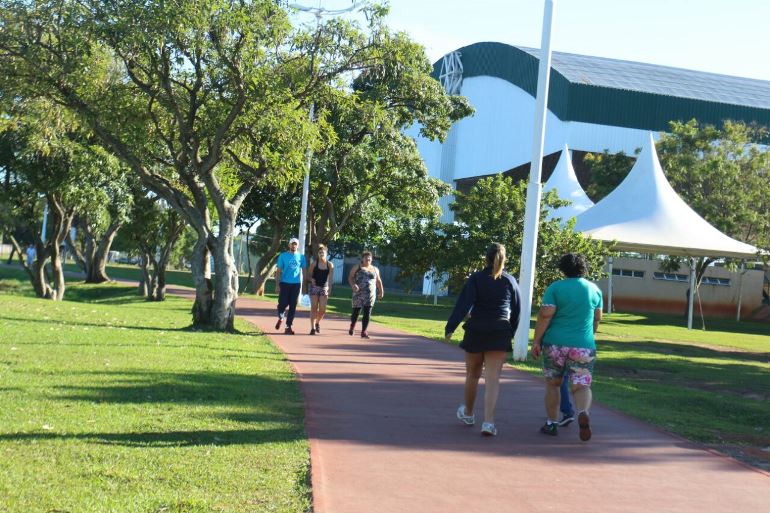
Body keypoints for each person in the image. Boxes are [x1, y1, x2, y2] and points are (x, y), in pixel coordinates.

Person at [445, 243, 521, 437]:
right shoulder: (510, 280)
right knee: (493, 379)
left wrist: (450, 327)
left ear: (485, 258)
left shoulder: (476, 278)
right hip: (499, 330)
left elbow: (463, 304)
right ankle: (488, 422)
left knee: (472, 374)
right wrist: (510, 331)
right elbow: (517, 310)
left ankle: (469, 413)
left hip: (477, 328)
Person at [531, 253, 603, 442]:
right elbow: (597, 319)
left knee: (553, 384)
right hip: (583, 345)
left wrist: (536, 340)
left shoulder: (556, 288)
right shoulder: (595, 290)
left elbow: (546, 315)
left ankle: (551, 423)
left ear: (563, 269)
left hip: (555, 343)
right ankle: (582, 412)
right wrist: (590, 335)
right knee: (581, 386)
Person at [347, 251, 384, 339]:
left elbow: (378, 281)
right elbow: (350, 277)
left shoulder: (375, 269)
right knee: (356, 312)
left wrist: (381, 291)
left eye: (369, 258)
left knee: (367, 313)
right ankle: (352, 326)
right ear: (362, 259)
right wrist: (353, 285)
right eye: (366, 258)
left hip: (370, 295)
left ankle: (364, 331)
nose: (368, 259)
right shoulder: (358, 267)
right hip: (358, 294)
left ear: (371, 259)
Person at [275, 238, 307, 335]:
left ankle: (288, 326)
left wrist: (304, 286)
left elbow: (304, 272)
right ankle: (281, 316)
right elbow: (278, 271)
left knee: (293, 306)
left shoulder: (301, 257)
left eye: (295, 244)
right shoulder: (283, 256)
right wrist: (277, 285)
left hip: (296, 284)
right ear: (289, 245)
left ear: (297, 246)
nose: (294, 246)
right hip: (284, 283)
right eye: (292, 244)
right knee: (282, 303)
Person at [307, 244, 334, 335]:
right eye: (320, 252)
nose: (321, 254)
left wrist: (329, 288)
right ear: (318, 254)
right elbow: (308, 275)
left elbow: (330, 278)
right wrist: (311, 279)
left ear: (326, 254)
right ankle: (312, 328)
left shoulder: (329, 265)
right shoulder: (314, 263)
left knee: (322, 309)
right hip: (315, 287)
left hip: (324, 287)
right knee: (314, 307)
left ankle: (317, 322)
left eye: (323, 252)